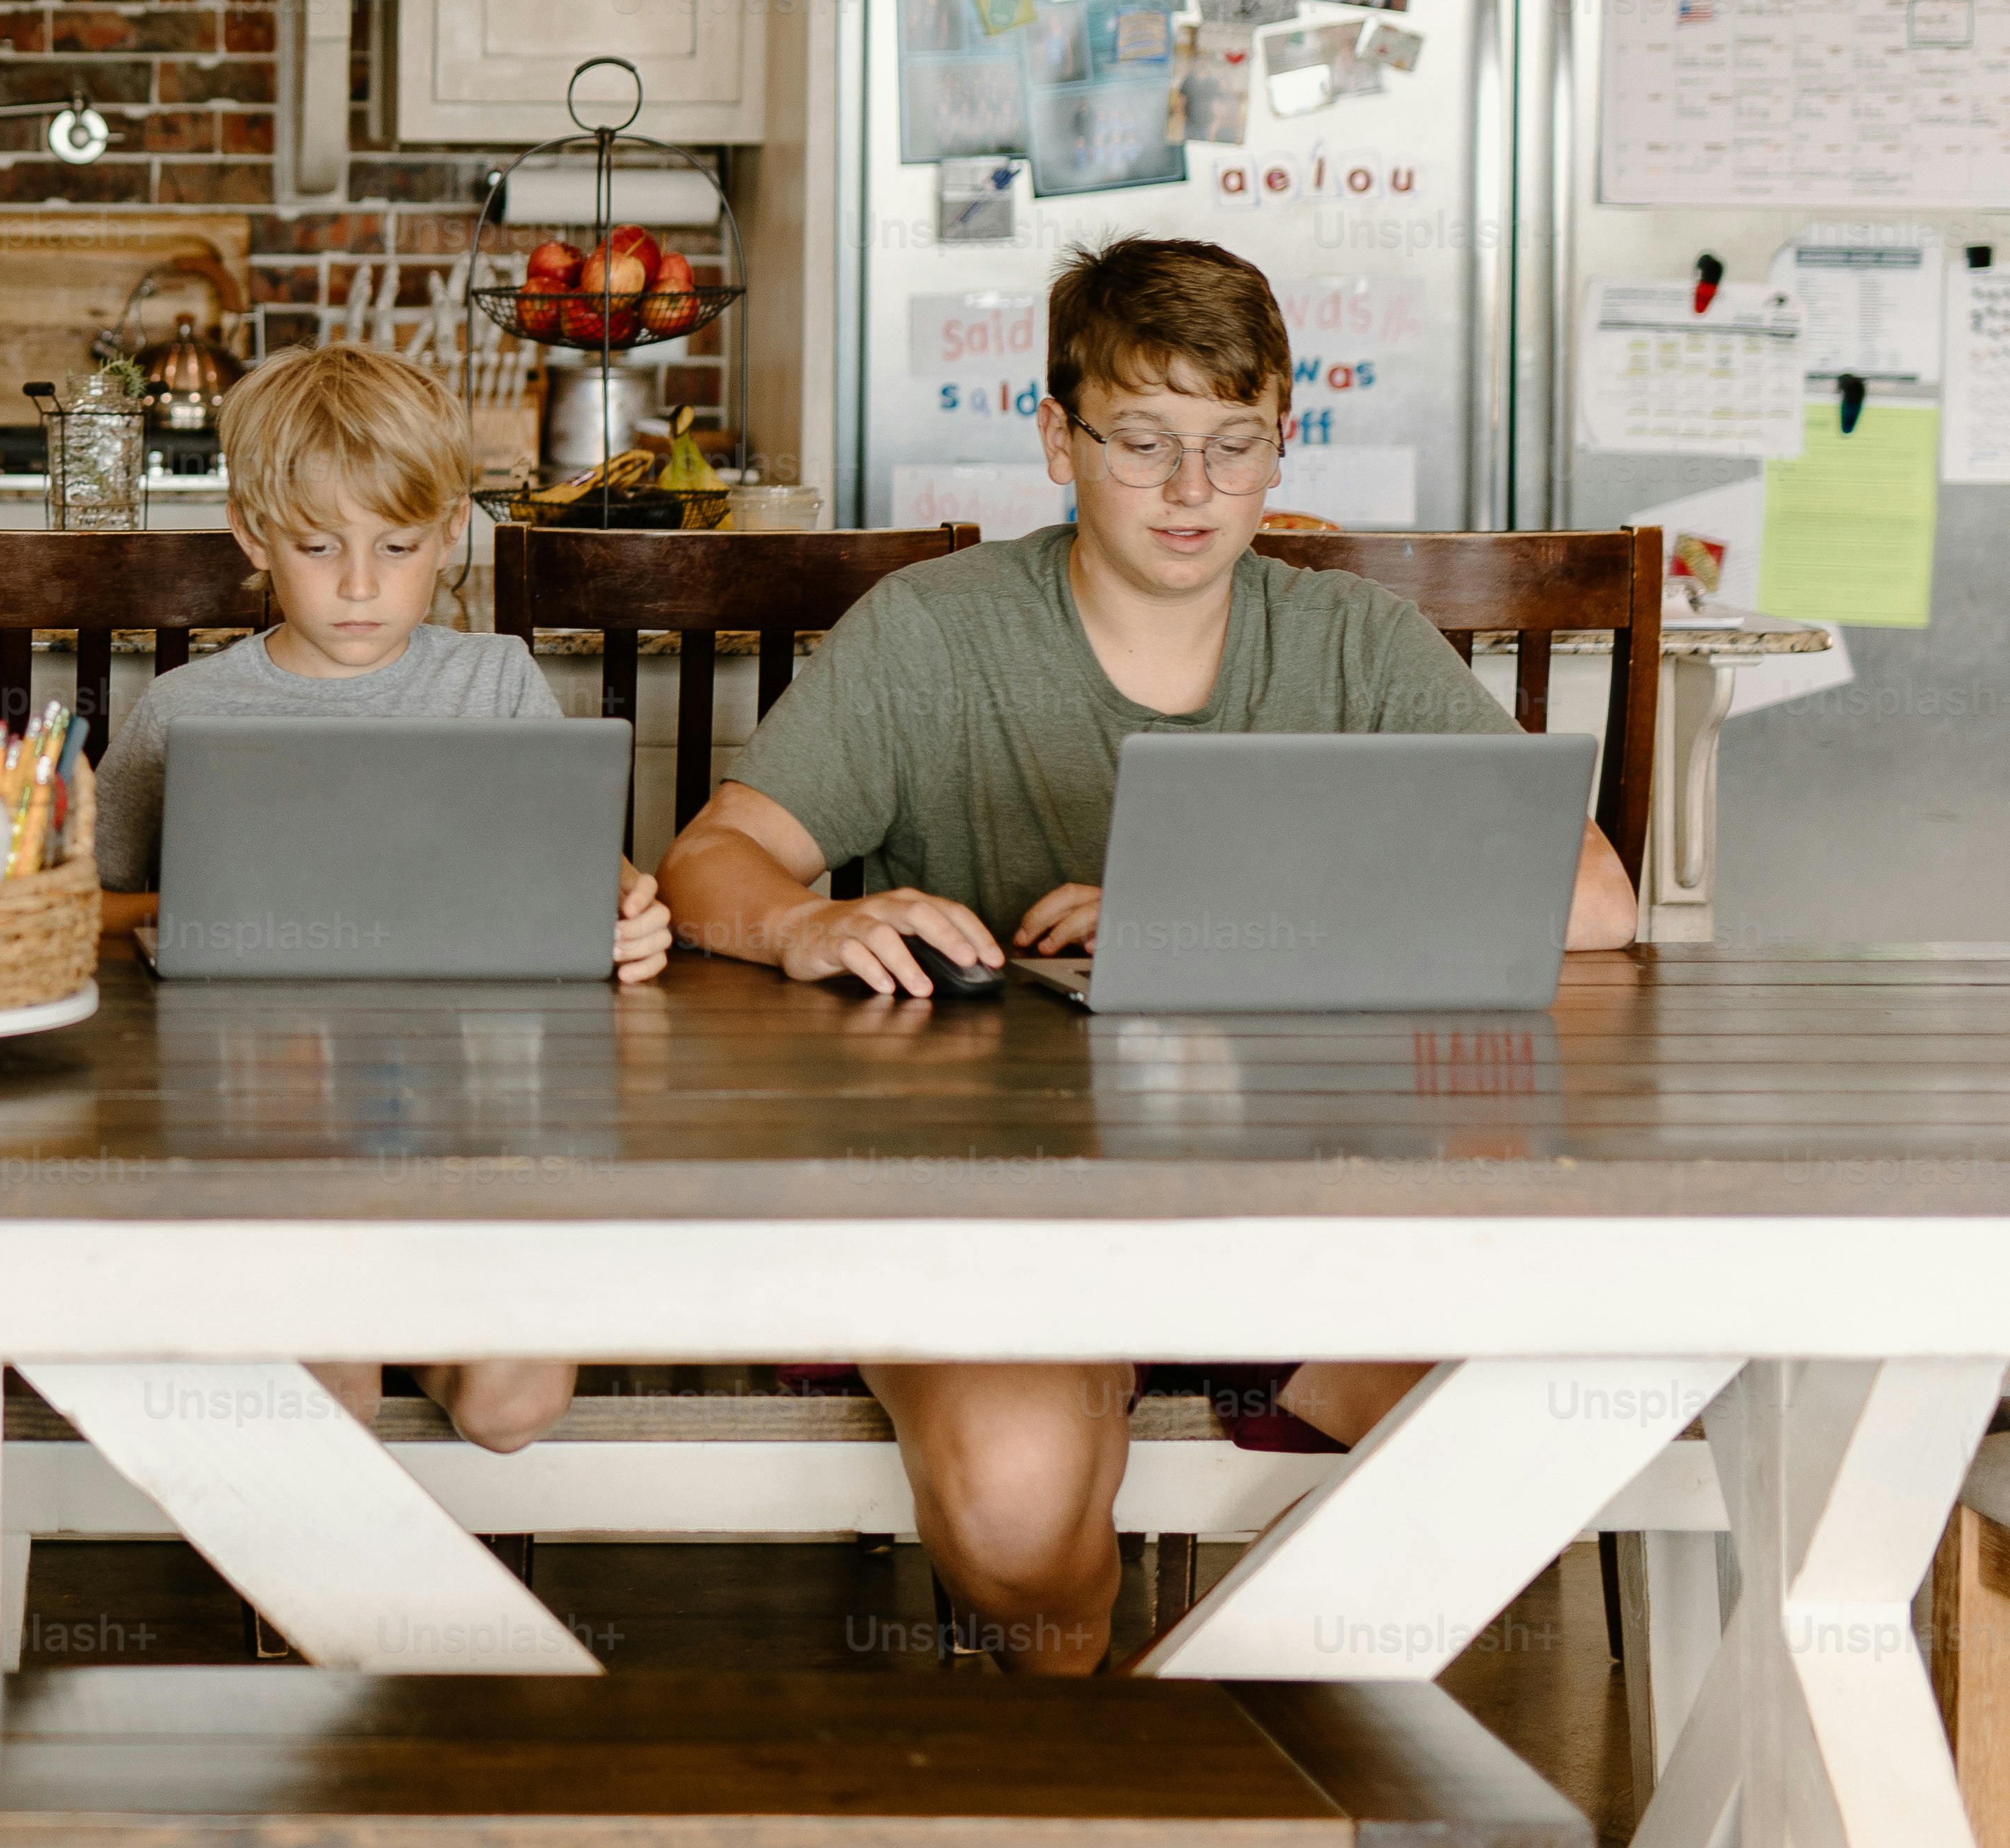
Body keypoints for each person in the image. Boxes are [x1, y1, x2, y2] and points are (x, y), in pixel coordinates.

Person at [658, 237, 1637, 1672]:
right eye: (1146, 442)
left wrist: (1220, 909)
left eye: (1235, 445)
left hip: (1296, 1207)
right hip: (988, 1208)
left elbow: (1598, 900)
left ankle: (1225, 1741)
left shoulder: (1355, 638)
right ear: (1056, 437)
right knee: (1008, 1507)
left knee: (1550, 1413)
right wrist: (811, 919)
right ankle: (1092, 1740)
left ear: (1281, 439)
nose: (1195, 491)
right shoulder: (932, 634)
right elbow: (706, 863)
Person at [91, 343, 671, 1456]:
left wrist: (632, 907)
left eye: (398, 548)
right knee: (332, 1385)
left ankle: (411, 1323)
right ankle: (327, 1608)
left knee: (514, 1400)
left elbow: (586, 864)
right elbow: (89, 915)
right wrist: (186, 915)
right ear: (254, 537)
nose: (360, 585)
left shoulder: (492, 680)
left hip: (473, 1139)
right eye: (318, 547)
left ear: (450, 535)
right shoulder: (184, 710)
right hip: (263, 1146)